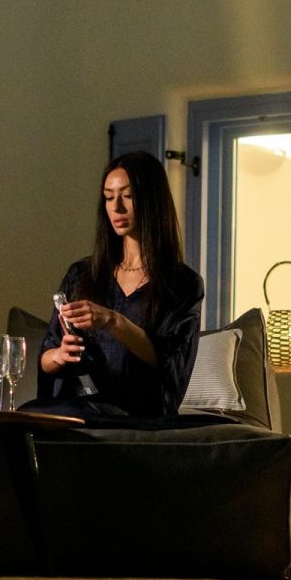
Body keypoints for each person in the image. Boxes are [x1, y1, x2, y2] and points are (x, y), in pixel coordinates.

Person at [37, 150, 204, 419]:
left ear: (151, 200)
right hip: (76, 410)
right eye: (108, 197)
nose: (116, 207)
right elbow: (47, 357)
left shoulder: (183, 284)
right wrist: (60, 355)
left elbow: (170, 362)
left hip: (139, 416)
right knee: (23, 419)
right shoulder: (82, 274)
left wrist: (113, 321)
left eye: (128, 196)